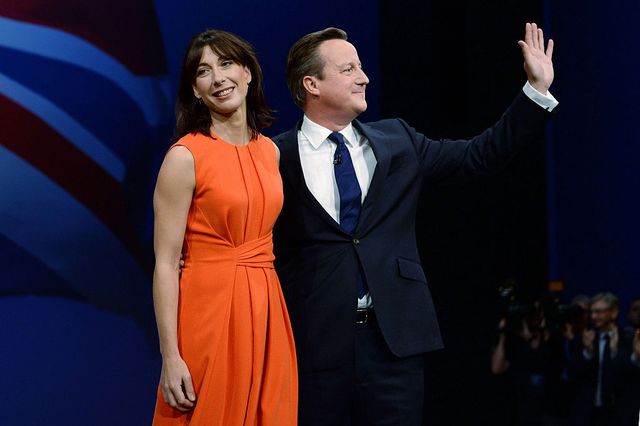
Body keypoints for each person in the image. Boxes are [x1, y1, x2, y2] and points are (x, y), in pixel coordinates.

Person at [273, 23, 557, 425]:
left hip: (394, 345)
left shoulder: (398, 140)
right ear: (311, 84)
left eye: (362, 67)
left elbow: (479, 156)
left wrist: (535, 92)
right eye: (349, 69)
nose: (364, 77)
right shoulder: (272, 157)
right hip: (314, 346)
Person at [151, 29, 297, 425]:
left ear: (248, 73)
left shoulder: (270, 151)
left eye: (227, 63)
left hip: (266, 307)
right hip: (208, 311)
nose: (218, 78)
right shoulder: (184, 157)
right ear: (196, 91)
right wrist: (170, 356)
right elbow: (165, 262)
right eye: (204, 71)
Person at [567, 292, 640, 426]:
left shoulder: (628, 339)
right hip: (590, 414)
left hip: (620, 413)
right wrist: (587, 353)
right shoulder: (584, 339)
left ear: (614, 313)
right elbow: (573, 376)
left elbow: (631, 377)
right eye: (592, 312)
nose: (594, 316)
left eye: (599, 312)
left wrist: (615, 353)